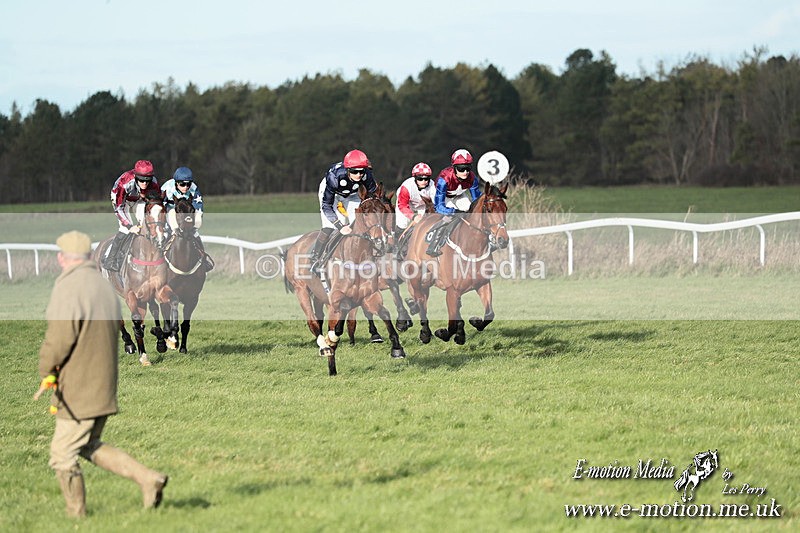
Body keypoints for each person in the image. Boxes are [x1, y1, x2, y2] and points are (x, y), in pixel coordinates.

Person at [37, 231, 168, 517]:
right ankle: (149, 479)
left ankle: (76, 519)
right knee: (86, 444)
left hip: (78, 388)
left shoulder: (68, 287)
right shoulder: (102, 286)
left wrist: (46, 370)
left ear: (62, 258)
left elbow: (58, 339)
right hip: (104, 384)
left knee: (61, 455)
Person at [310, 149, 378, 270]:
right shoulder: (334, 177)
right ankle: (315, 258)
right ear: (347, 170)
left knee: (359, 223)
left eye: (361, 171)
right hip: (332, 194)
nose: (358, 175)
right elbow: (327, 206)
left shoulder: (366, 175)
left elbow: (374, 195)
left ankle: (366, 255)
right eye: (354, 171)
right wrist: (340, 225)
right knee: (331, 227)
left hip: (352, 194)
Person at [103, 160, 162, 271]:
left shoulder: (154, 183)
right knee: (125, 229)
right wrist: (130, 226)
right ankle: (110, 259)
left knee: (145, 224)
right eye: (141, 180)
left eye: (147, 180)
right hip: (122, 200)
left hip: (139, 200)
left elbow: (156, 204)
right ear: (135, 176)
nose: (144, 183)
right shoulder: (124, 183)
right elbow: (119, 208)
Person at [426, 149, 483, 256]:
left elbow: (476, 198)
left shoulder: (472, 177)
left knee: (469, 209)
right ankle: (434, 245)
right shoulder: (445, 179)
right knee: (451, 216)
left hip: (459, 194)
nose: (465, 172)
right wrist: (453, 211)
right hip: (443, 197)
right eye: (461, 169)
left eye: (468, 168)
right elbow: (439, 206)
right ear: (454, 168)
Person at [161, 166, 214, 271]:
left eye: (188, 184)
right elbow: (161, 207)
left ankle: (203, 260)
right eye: (182, 184)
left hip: (187, 214)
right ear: (176, 183)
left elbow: (198, 208)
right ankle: (158, 262)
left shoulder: (194, 189)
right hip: (170, 211)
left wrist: (196, 224)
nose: (186, 187)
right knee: (165, 233)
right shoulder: (166, 188)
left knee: (195, 233)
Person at [394, 162, 435, 255]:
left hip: (423, 204)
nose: (424, 181)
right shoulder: (406, 187)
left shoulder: (433, 186)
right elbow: (402, 205)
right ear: (415, 178)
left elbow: (435, 204)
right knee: (403, 223)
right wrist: (413, 217)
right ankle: (397, 247)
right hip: (406, 204)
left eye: (426, 179)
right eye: (420, 179)